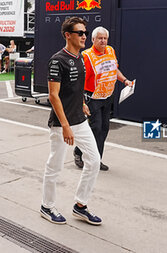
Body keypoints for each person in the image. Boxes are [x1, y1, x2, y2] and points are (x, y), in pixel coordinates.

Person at [40, 17, 102, 225]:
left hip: (80, 119)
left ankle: (80, 205)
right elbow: (53, 95)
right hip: (61, 123)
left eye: (85, 32)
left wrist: (82, 102)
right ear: (68, 35)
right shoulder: (57, 60)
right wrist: (65, 126)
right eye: (80, 33)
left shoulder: (81, 58)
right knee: (55, 166)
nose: (85, 36)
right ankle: (46, 206)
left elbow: (75, 87)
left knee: (93, 160)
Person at [73, 26, 133, 171]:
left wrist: (125, 80)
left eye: (105, 38)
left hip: (107, 96)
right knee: (96, 127)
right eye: (100, 38)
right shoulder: (86, 56)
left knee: (104, 129)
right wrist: (81, 102)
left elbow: (114, 69)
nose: (103, 41)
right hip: (92, 97)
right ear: (93, 39)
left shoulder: (111, 51)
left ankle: (96, 159)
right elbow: (79, 81)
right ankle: (82, 155)